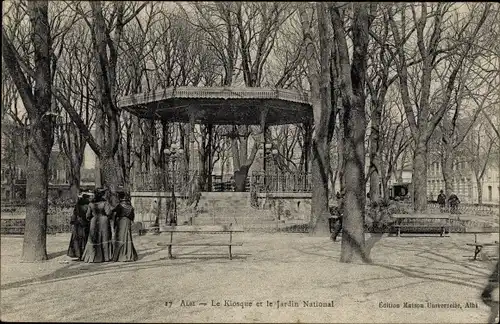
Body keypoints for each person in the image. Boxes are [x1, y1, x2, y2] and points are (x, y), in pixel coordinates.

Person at [81, 188, 114, 263]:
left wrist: (91, 218)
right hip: (103, 221)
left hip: (94, 221)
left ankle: (92, 256)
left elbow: (88, 215)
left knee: (93, 237)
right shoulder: (105, 203)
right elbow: (108, 213)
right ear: (102, 194)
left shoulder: (91, 204)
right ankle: (105, 257)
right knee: (104, 237)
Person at [112, 191, 138, 262]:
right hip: (127, 222)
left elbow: (115, 214)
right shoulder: (130, 207)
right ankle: (129, 255)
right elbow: (132, 217)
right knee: (127, 236)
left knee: (120, 237)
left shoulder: (119, 206)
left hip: (121, 222)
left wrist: (114, 224)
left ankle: (119, 256)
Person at [67, 193, 91, 260]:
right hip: (86, 223)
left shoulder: (78, 205)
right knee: (85, 238)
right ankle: (85, 254)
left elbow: (74, 214)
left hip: (78, 224)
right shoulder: (89, 205)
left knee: (77, 239)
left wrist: (73, 221)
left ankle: (78, 254)